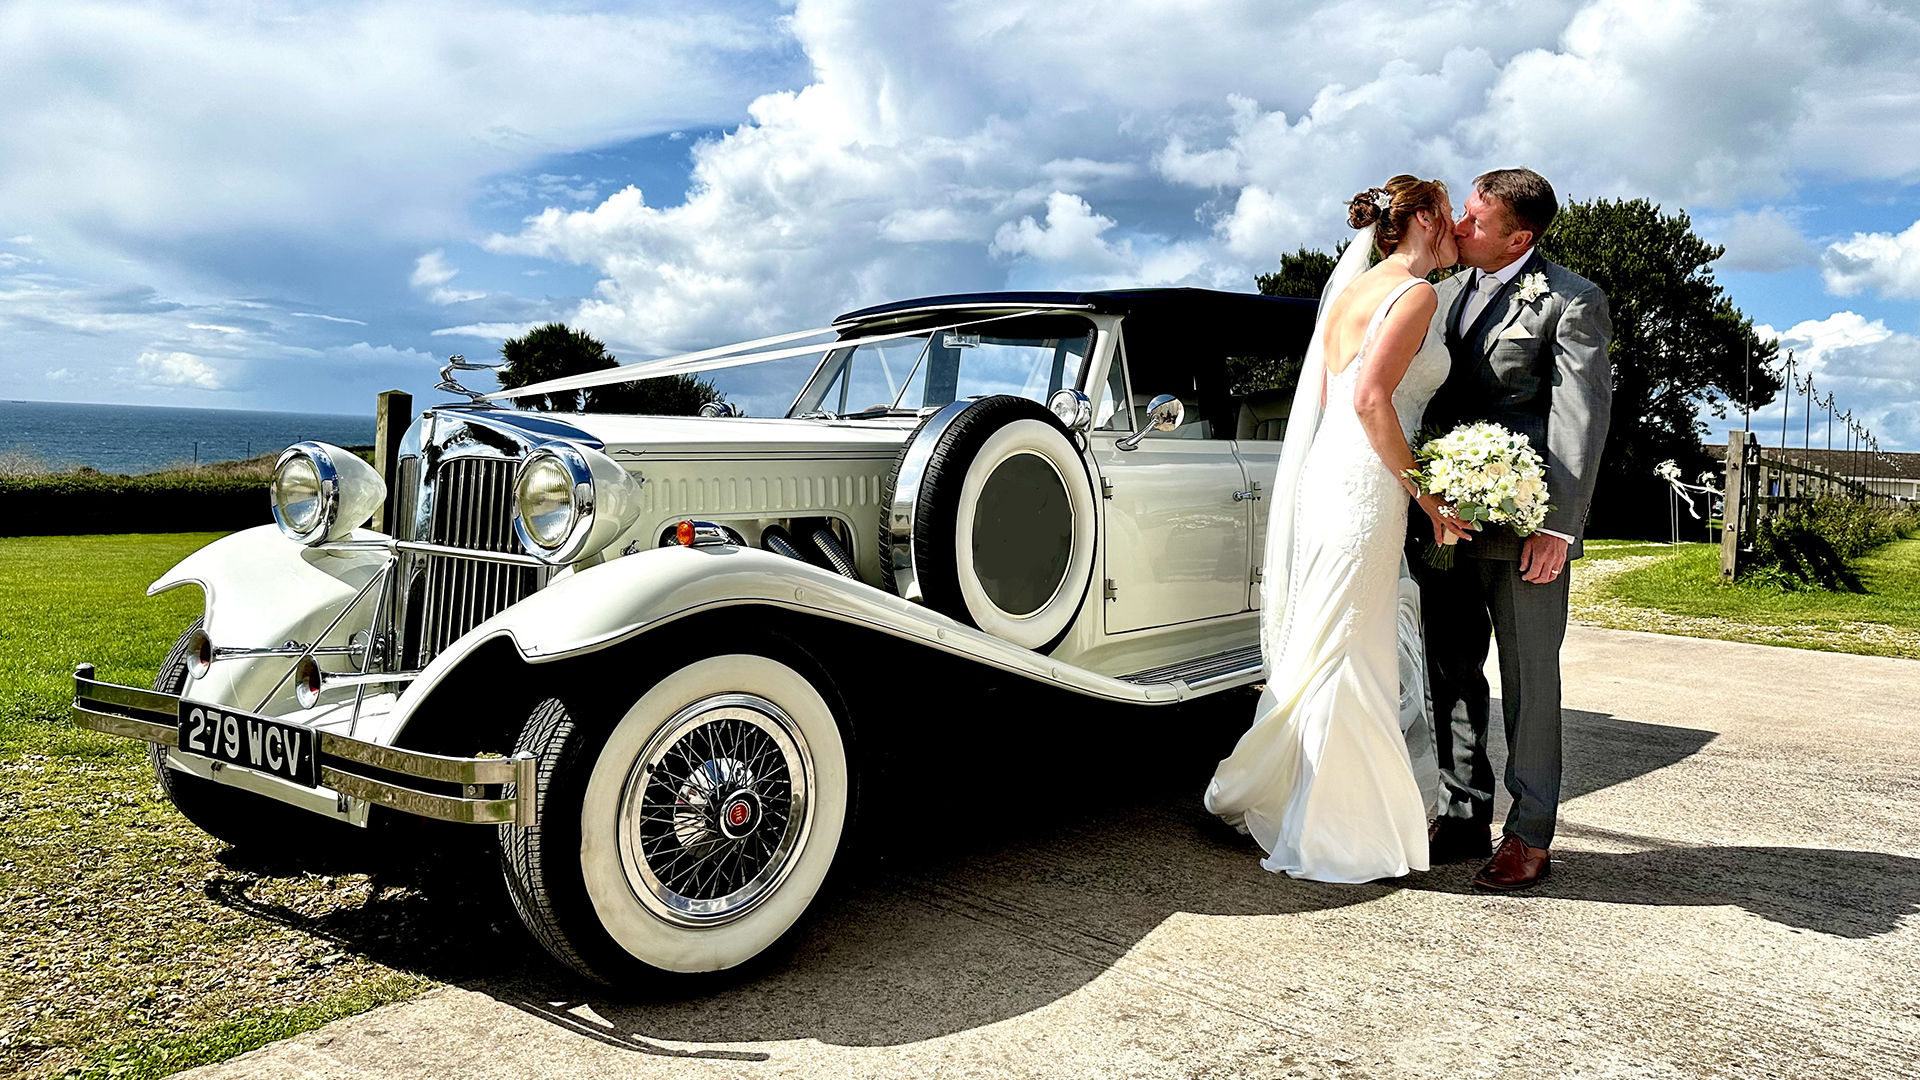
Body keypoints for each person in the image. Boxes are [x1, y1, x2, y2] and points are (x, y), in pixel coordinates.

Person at [1205, 175, 1473, 883]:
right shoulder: (1413, 294)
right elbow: (1369, 398)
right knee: (1350, 639)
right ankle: (1334, 827)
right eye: (1449, 217)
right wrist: (1428, 498)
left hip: (1334, 472)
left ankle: (1283, 788)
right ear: (1419, 218)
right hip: (1368, 483)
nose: (1458, 232)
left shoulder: (1355, 290)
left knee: (1334, 635)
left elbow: (1331, 399)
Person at [1417, 168, 1612, 891]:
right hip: (1445, 524)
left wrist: (1557, 530)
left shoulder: (1571, 300)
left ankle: (1529, 834)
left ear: (1519, 237)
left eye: (1474, 221)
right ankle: (1461, 812)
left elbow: (1579, 419)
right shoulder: (1446, 292)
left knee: (1530, 682)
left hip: (1525, 530)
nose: (1459, 228)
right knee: (1450, 671)